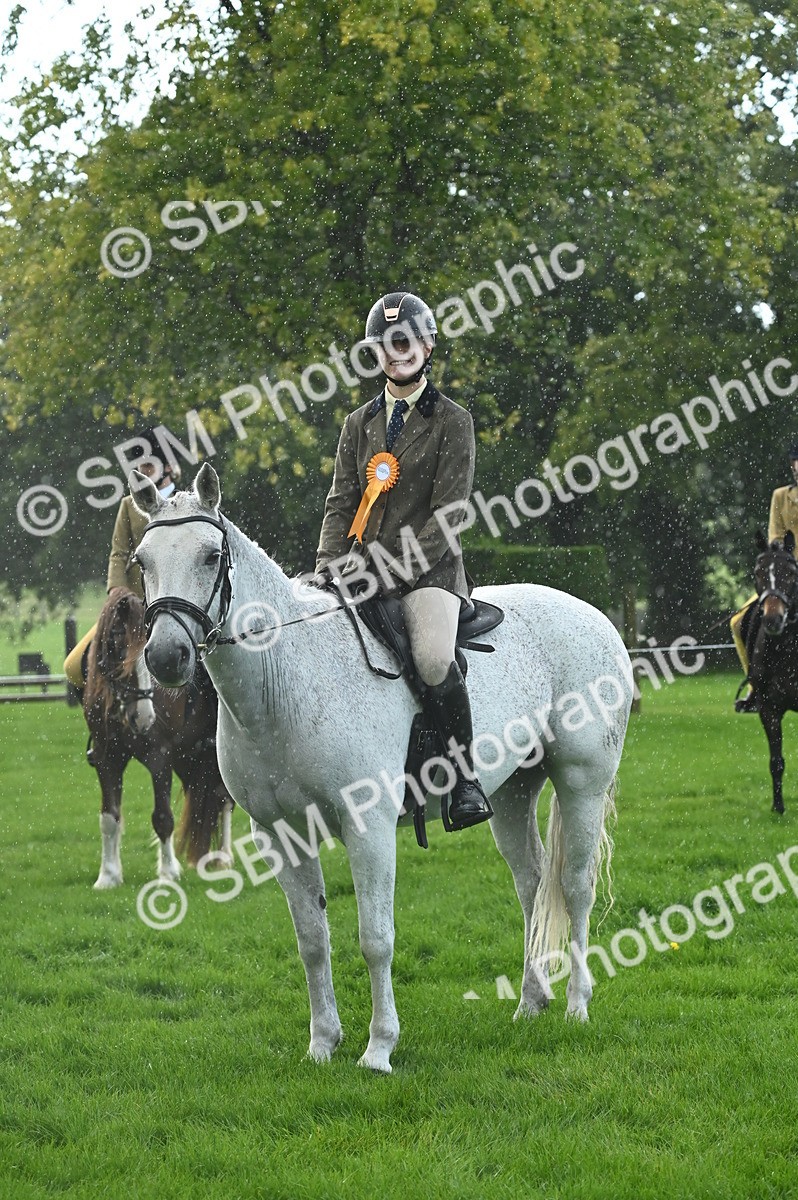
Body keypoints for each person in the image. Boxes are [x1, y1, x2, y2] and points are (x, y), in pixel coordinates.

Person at [315, 290, 493, 830]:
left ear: (427, 344)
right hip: (359, 570)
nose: (397, 352)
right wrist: (327, 564)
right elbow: (341, 502)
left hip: (429, 573)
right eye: (387, 345)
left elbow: (448, 516)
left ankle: (464, 780)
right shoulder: (357, 424)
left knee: (434, 658)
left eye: (406, 341)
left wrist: (385, 570)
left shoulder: (453, 421)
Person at [63, 437, 180, 692]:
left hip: (177, 603)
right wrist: (116, 589)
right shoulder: (128, 505)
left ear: (169, 467)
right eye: (139, 468)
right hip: (133, 604)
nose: (142, 474)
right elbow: (118, 553)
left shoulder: (183, 504)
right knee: (73, 666)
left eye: (148, 467)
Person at [732, 442, 798, 712]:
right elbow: (775, 536)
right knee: (738, 622)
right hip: (786, 574)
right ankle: (755, 686)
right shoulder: (781, 497)